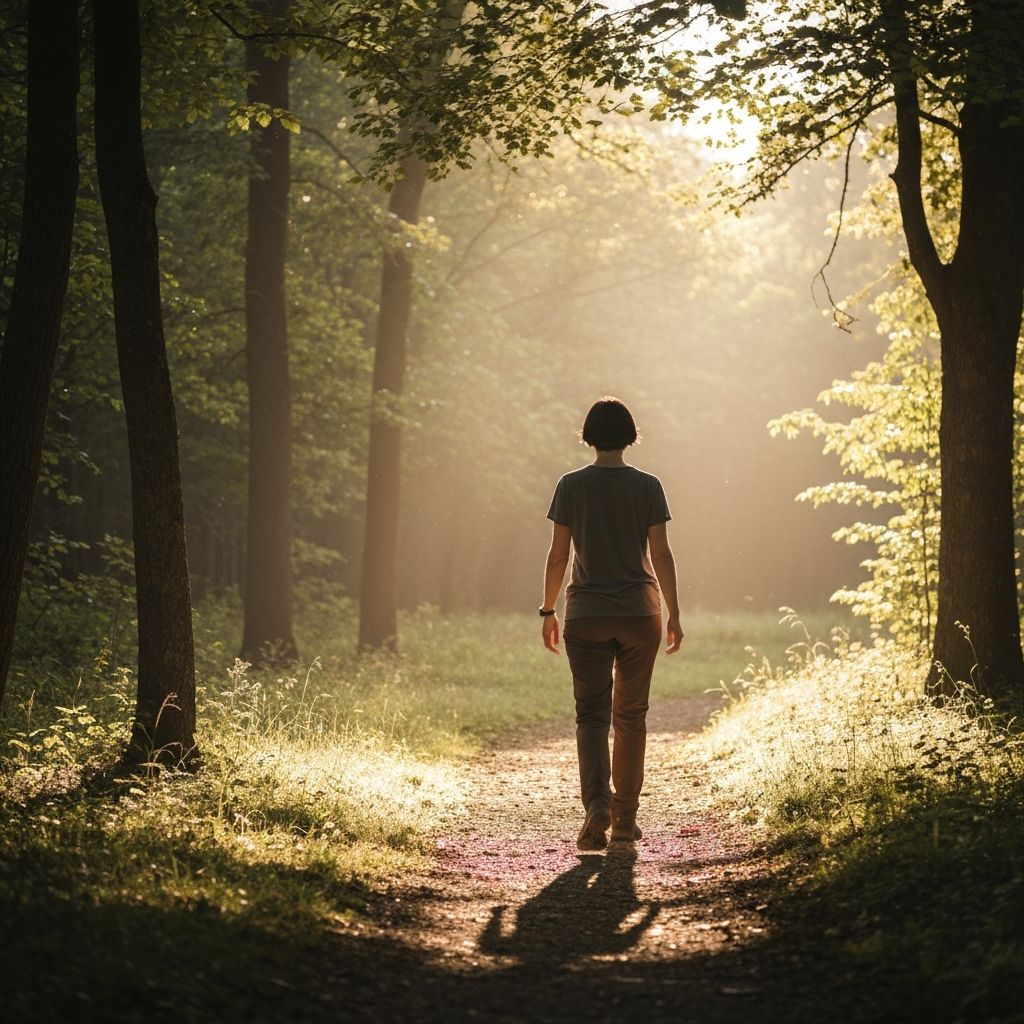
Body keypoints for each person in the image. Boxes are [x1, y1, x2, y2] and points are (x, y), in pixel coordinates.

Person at [540, 397, 682, 851]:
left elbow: (559, 556)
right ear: (629, 436)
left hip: (587, 614)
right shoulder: (648, 486)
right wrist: (674, 613)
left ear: (588, 436)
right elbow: (661, 554)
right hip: (641, 613)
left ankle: (597, 807)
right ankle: (625, 819)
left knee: (592, 715)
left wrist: (548, 610)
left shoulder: (571, 486)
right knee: (631, 716)